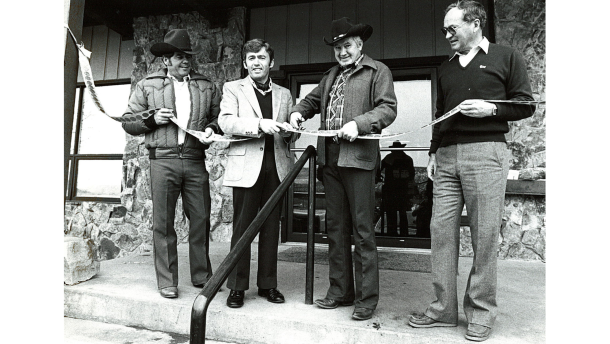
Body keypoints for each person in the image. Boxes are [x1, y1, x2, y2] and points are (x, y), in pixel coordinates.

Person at [407, 1, 535, 341]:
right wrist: (433, 152)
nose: (446, 35)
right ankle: (443, 310)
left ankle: (481, 311)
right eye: (444, 30)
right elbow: (440, 112)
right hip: (447, 157)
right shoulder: (445, 67)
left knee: (484, 234)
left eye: (452, 28)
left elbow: (525, 104)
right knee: (440, 231)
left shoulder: (507, 57)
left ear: (475, 23)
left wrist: (492, 108)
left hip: (487, 153)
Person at [289, 17, 397, 321]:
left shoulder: (378, 71)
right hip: (330, 159)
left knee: (363, 230)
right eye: (337, 47)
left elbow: (387, 108)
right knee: (335, 228)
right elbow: (310, 101)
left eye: (347, 45)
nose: (342, 52)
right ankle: (340, 291)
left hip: (359, 158)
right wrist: (298, 112)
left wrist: (358, 124)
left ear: (359, 44)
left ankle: (366, 299)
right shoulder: (330, 75)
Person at [121, 29, 221, 299]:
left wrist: (212, 128)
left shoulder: (206, 85)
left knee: (200, 219)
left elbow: (218, 117)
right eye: (178, 56)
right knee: (163, 224)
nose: (185, 61)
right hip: (162, 161)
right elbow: (128, 121)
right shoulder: (147, 85)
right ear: (166, 60)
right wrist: (152, 120)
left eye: (187, 56)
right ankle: (167, 281)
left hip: (194, 159)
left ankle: (202, 277)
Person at [218, 39, 297, 308]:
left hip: (276, 168)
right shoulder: (232, 88)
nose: (256, 62)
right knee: (242, 229)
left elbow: (290, 134)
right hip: (246, 168)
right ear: (244, 63)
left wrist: (289, 130)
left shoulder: (285, 94)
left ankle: (268, 284)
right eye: (251, 58)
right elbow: (226, 121)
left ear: (270, 62)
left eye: (261, 57)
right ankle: (237, 287)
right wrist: (259, 124)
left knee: (271, 229)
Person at [379, 141, 415, 236]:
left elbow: (412, 175)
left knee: (399, 213)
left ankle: (399, 234)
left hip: (399, 190)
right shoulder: (403, 159)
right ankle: (396, 233)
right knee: (394, 213)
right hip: (394, 190)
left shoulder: (394, 158)